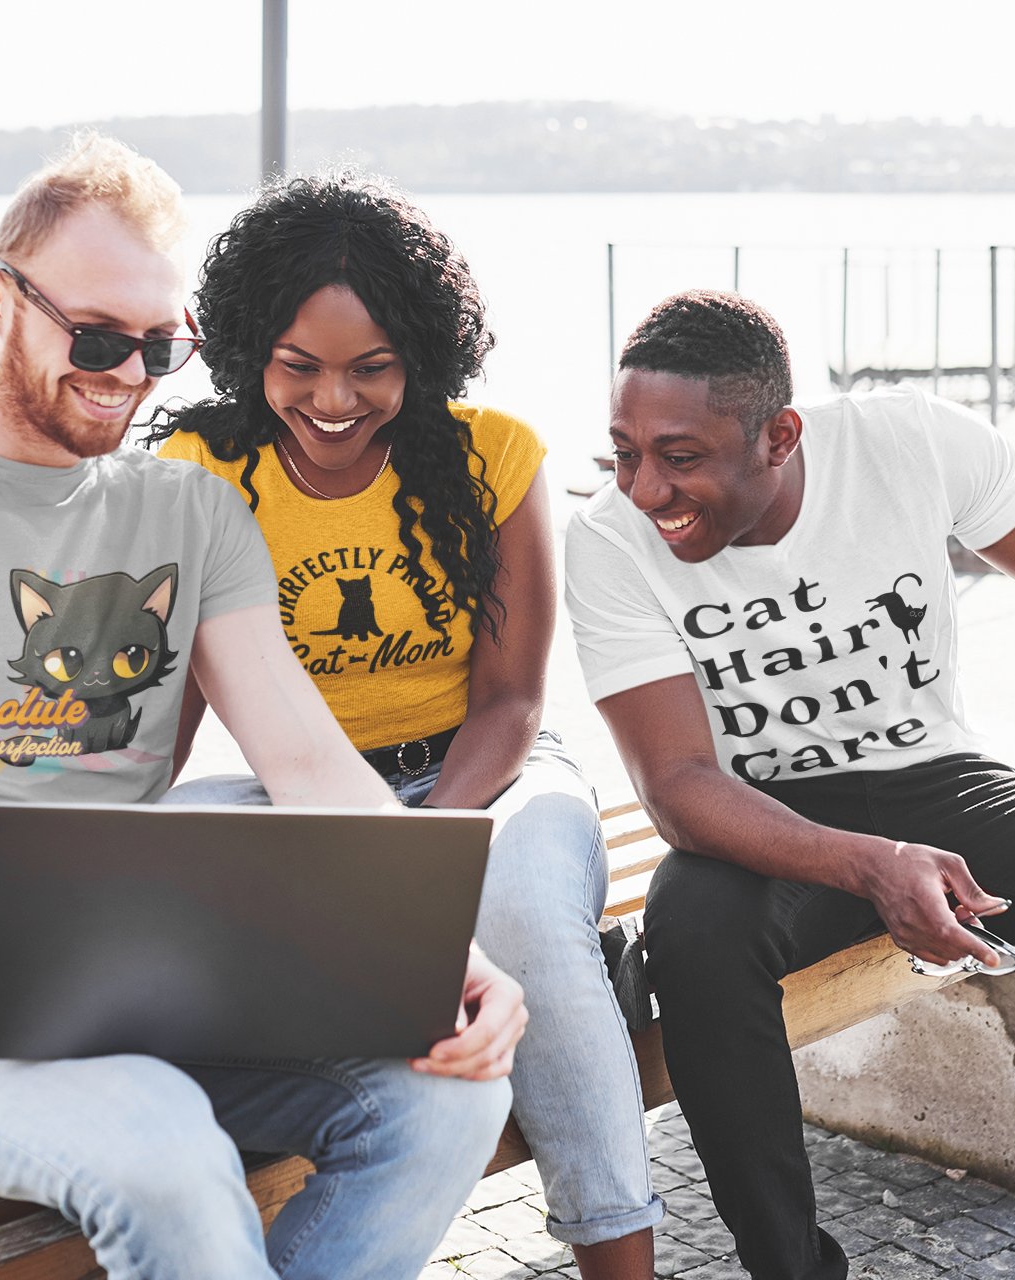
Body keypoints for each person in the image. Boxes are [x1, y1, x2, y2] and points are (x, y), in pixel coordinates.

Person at [0, 134, 526, 1280]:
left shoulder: (191, 515)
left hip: (131, 957)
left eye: (159, 347)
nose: (127, 372)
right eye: (97, 337)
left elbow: (310, 763)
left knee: (447, 1093)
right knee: (165, 1146)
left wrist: (442, 949)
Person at [563, 290, 1015, 1280]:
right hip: (758, 817)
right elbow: (677, 784)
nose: (644, 487)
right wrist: (872, 865)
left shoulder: (910, 442)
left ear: (779, 435)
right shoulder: (608, 540)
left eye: (680, 456)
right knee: (695, 937)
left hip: (940, 784)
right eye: (624, 450)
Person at [151, 173, 664, 1277]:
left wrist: (405, 837)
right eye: (300, 365)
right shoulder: (200, 469)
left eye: (371, 366)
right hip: (306, 794)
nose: (335, 397)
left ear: (420, 354)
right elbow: (174, 704)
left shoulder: (495, 456)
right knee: (157, 882)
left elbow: (514, 700)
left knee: (524, 912)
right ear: (249, 350)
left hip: (491, 772)